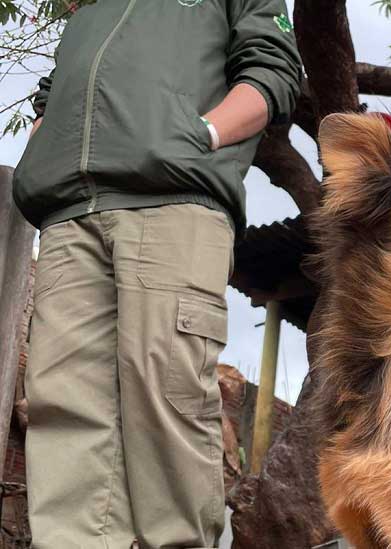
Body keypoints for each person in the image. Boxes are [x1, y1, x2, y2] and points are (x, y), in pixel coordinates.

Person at [12, 0, 301, 546]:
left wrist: (201, 135)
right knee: (62, 401)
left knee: (165, 390)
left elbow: (273, 68)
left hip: (174, 199)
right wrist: (41, 151)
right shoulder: (88, 11)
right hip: (69, 213)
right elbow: (56, 94)